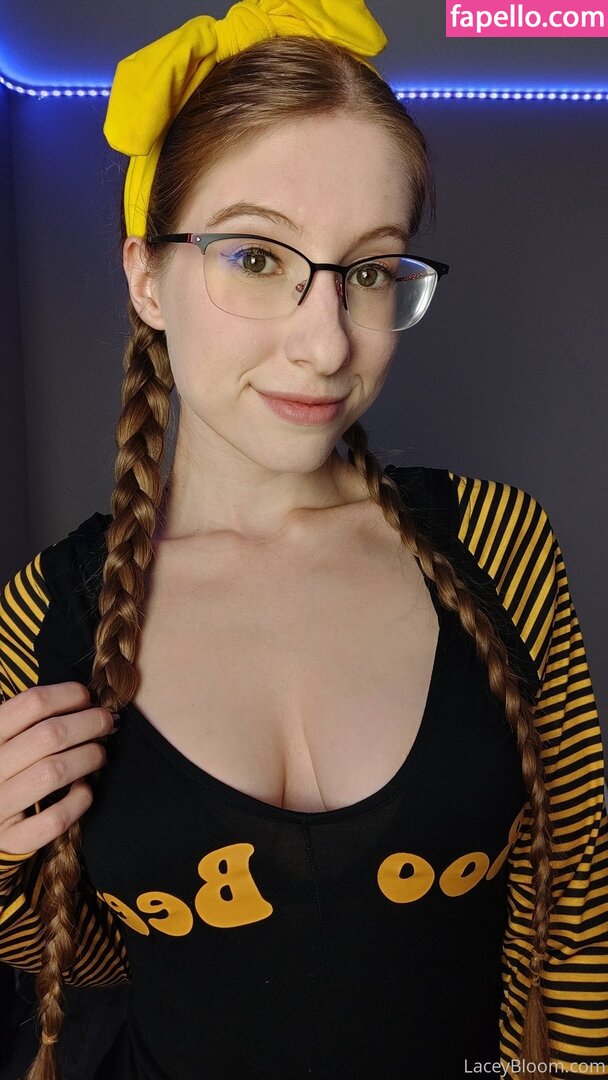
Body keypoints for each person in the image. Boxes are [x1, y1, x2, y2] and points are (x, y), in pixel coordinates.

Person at [0, 1, 606, 1078]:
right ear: (146, 277)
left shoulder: (500, 547)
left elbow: (572, 921)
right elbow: (87, 960)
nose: (326, 344)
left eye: (368, 271)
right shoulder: (46, 613)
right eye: (255, 256)